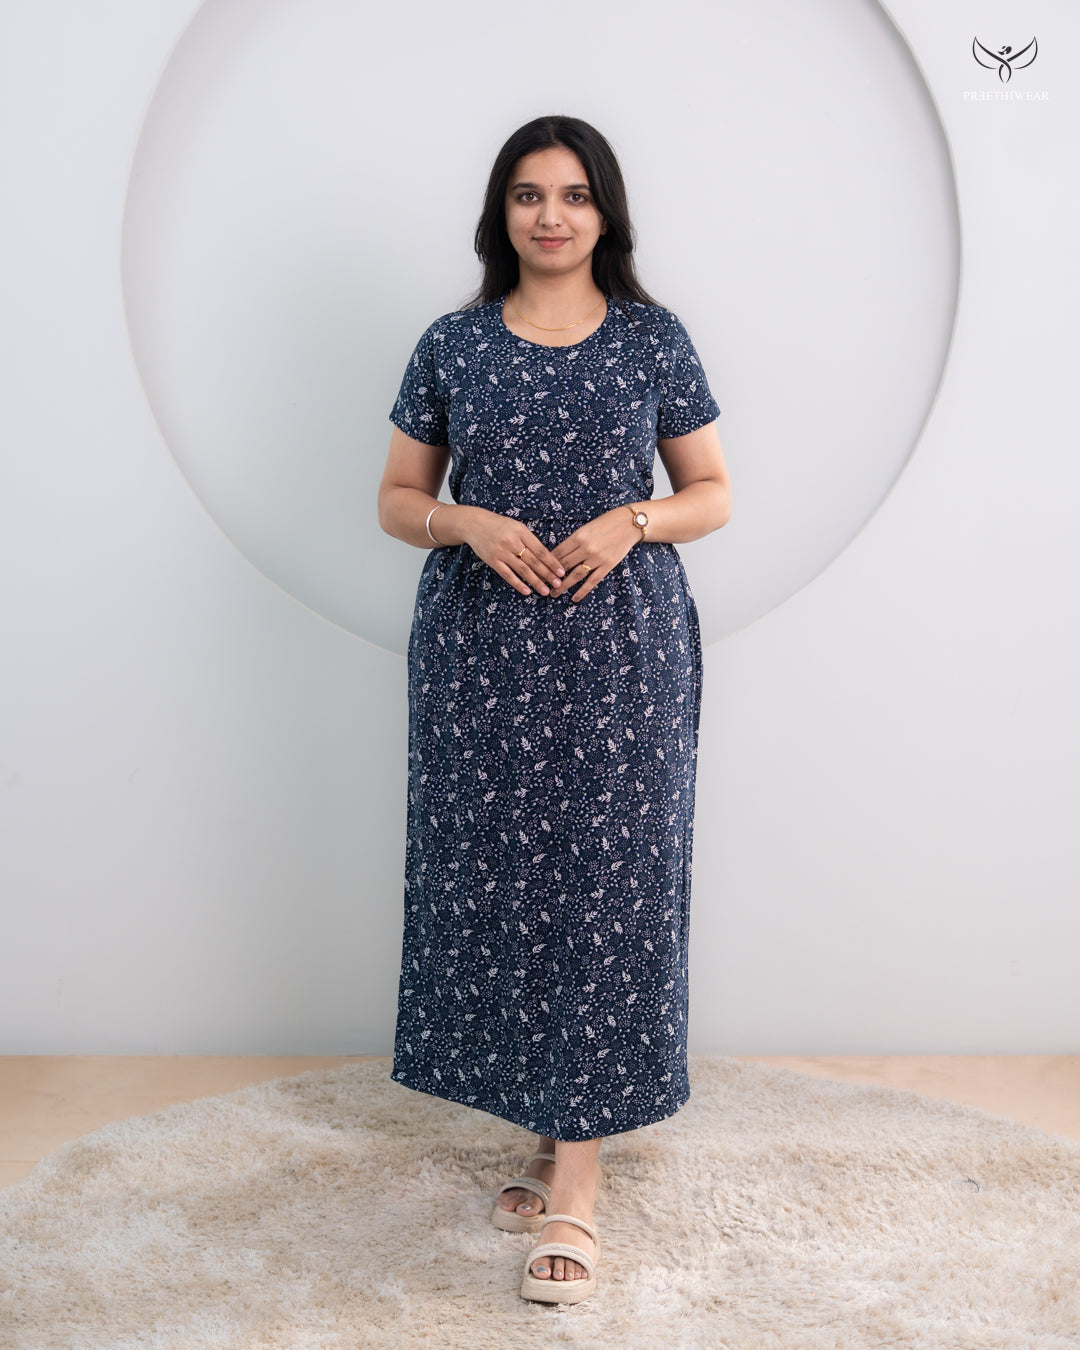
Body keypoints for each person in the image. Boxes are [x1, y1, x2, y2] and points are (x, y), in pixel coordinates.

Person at [377, 114, 732, 1305]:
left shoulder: (651, 339)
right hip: (479, 653)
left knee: (607, 886)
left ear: (605, 213)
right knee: (502, 882)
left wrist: (632, 519)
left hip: (624, 652)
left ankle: (578, 1173)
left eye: (575, 194)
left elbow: (713, 492)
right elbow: (396, 497)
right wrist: (465, 521)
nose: (551, 215)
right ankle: (548, 1122)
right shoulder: (453, 343)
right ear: (502, 213)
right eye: (529, 194)